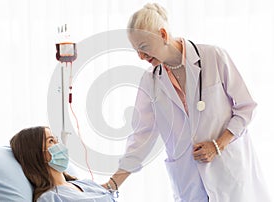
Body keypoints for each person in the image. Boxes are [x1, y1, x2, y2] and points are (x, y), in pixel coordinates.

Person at [103, 3, 271, 202]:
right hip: (189, 183)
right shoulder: (150, 81)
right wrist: (112, 184)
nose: (141, 56)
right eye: (136, 50)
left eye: (144, 47)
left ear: (163, 35)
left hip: (229, 174)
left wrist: (218, 145)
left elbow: (246, 108)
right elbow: (141, 138)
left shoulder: (213, 57)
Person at [10, 126, 116, 202]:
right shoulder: (49, 198)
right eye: (51, 141)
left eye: (56, 140)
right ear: (36, 154)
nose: (59, 145)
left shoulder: (83, 183)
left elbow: (109, 188)